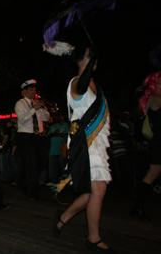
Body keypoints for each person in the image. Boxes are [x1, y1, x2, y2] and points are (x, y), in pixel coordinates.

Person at [52, 46, 114, 253]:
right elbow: (81, 87)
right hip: (86, 143)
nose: (94, 59)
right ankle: (93, 238)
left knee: (92, 192)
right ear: (79, 60)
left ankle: (63, 218)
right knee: (98, 189)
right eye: (90, 56)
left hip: (97, 143)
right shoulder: (76, 83)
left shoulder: (96, 85)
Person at [131, 71, 161, 221]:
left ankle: (138, 206)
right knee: (151, 175)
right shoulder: (156, 99)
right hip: (159, 142)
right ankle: (138, 206)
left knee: (152, 175)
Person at [14, 79, 50, 201]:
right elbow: (22, 119)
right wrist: (34, 109)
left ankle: (24, 179)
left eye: (34, 89)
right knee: (31, 164)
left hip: (38, 136)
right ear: (24, 91)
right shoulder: (20, 103)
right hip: (26, 136)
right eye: (30, 89)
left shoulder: (36, 102)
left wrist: (43, 108)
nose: (33, 91)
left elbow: (46, 118)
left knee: (43, 161)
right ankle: (33, 193)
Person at [47, 113, 69, 186]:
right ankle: (54, 181)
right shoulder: (52, 126)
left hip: (61, 149)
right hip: (53, 150)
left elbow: (68, 135)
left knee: (63, 166)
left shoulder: (65, 125)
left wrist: (59, 135)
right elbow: (48, 135)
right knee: (53, 167)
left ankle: (64, 182)